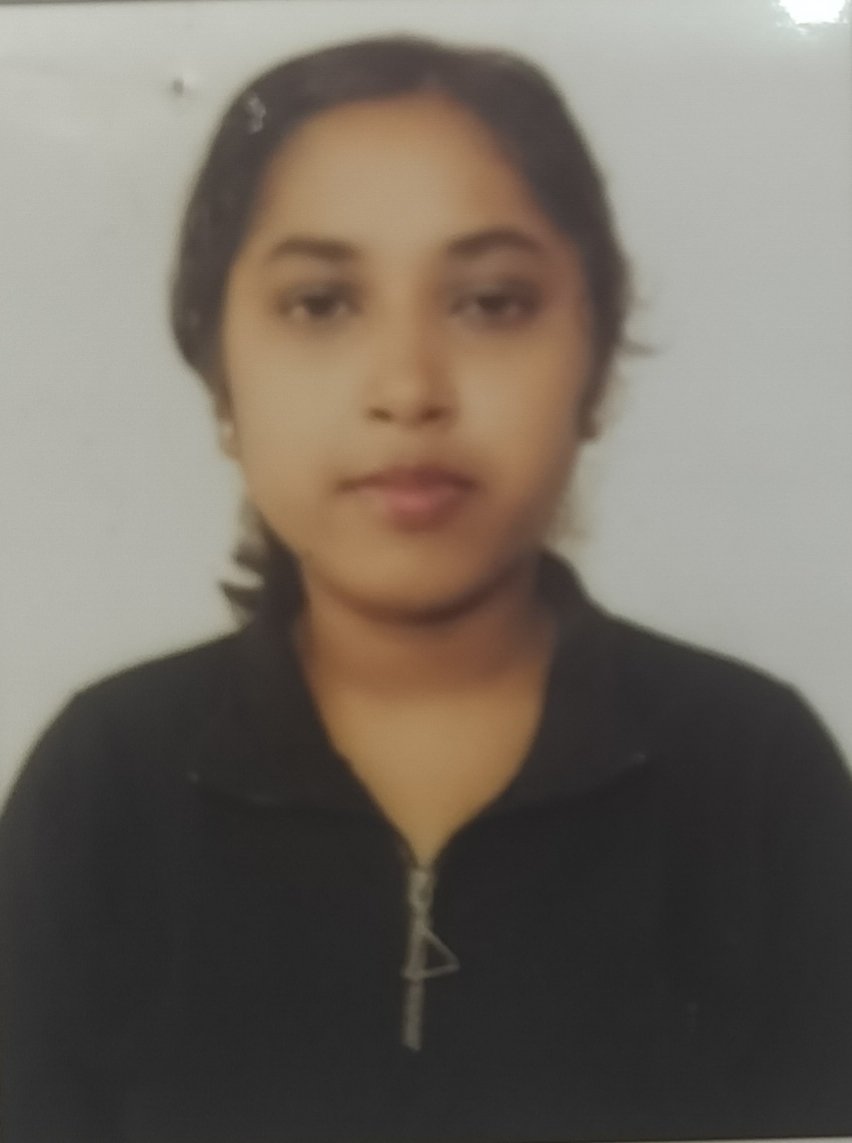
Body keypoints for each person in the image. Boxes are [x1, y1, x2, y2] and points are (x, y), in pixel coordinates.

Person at [1, 32, 851, 1143]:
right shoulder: (104, 786)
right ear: (221, 380)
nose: (407, 387)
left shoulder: (759, 777)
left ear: (595, 365)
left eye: (491, 302)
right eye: (321, 303)